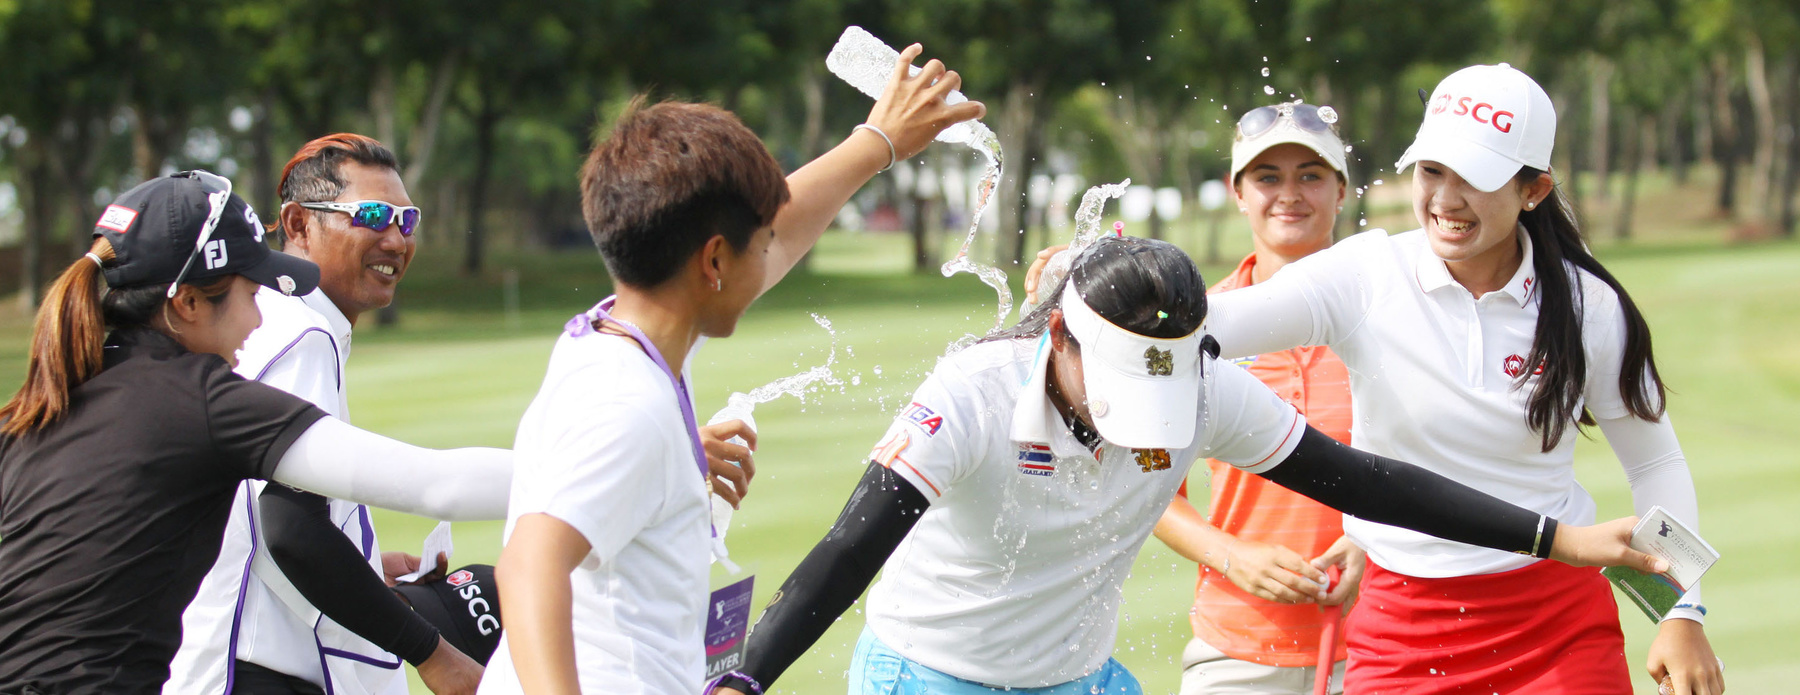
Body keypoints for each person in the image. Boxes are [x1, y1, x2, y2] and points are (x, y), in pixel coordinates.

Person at [711, 236, 1665, 695]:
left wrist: (1558, 535)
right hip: (932, 676)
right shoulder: (969, 392)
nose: (1142, 426)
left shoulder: (1206, 387)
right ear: (1060, 336)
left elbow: (1367, 480)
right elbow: (848, 550)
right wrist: (745, 679)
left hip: (1083, 679)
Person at [1184, 65, 1720, 694]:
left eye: (1474, 179)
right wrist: (1115, 293)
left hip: (1554, 621)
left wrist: (1682, 612)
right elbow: (1213, 325)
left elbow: (1654, 464)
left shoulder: (1588, 307)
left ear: (1534, 190)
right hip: (1401, 624)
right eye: (1431, 171)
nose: (1444, 199)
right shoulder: (1366, 274)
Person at [474, 44, 986, 695]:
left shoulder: (616, 331)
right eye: (762, 244)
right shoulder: (630, 405)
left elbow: (780, 221)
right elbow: (528, 565)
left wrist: (878, 141)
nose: (774, 256)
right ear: (714, 261)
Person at [0, 171, 513, 695]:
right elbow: (435, 484)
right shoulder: (202, 399)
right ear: (188, 303)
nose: (257, 319)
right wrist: (587, 471)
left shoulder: (42, 404)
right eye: (252, 291)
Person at [166, 134, 479, 695]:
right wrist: (435, 656)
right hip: (251, 671)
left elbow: (263, 516)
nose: (395, 239)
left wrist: (360, 563)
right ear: (298, 224)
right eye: (374, 215)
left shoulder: (267, 321)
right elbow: (289, 528)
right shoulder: (300, 333)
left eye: (408, 220)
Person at [1153, 101, 1360, 694]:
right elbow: (1150, 483)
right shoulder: (1196, 326)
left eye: (1310, 176)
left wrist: (1373, 543)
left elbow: (1443, 459)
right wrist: (1230, 554)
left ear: (1341, 190)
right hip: (1236, 651)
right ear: (1237, 192)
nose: (1289, 194)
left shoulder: (1388, 316)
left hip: (1379, 645)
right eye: (1268, 177)